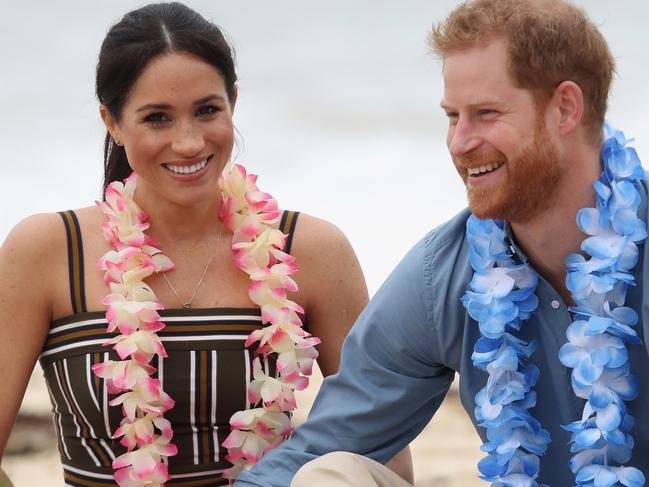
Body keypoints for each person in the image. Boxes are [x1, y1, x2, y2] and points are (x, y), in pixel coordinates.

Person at [233, 0, 649, 486]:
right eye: (453, 116)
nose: (458, 143)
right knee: (328, 476)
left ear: (565, 108)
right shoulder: (448, 274)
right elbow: (325, 445)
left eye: (485, 114)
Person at [0, 3, 413, 486]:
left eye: (207, 110)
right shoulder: (50, 250)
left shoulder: (311, 250)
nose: (190, 142)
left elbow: (383, 460)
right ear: (111, 121)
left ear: (233, 102)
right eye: (157, 118)